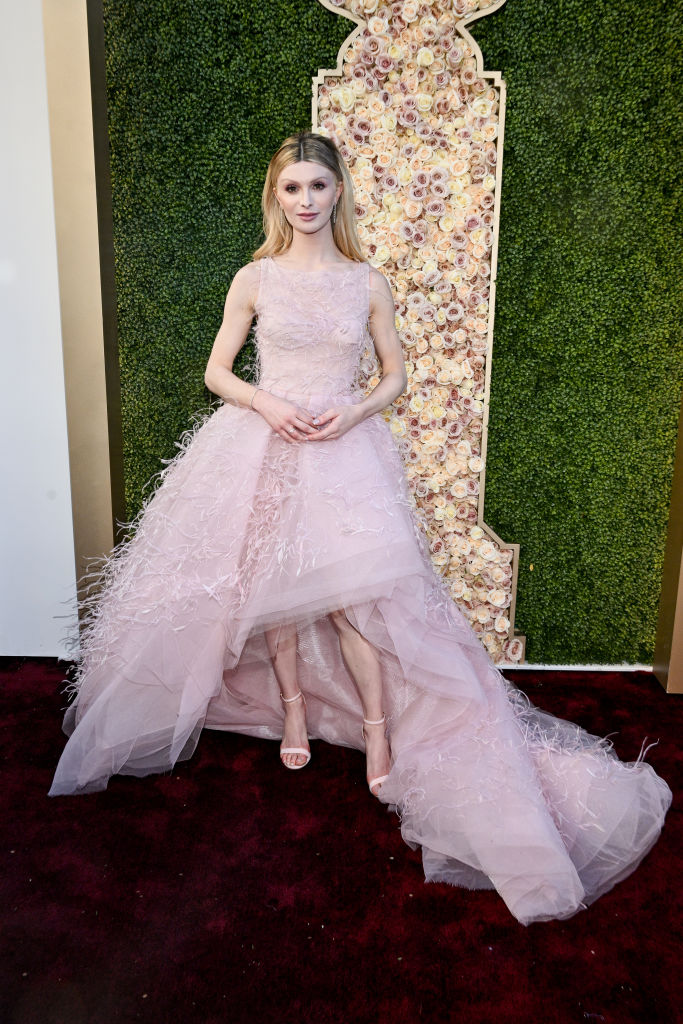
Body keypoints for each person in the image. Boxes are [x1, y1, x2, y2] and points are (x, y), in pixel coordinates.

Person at [49, 132, 672, 926]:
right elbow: (216, 371)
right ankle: (296, 713)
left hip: (343, 453)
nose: (304, 200)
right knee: (269, 590)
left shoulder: (365, 281)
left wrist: (354, 409)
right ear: (275, 197)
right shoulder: (255, 277)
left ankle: (379, 735)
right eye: (289, 188)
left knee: (354, 604)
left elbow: (396, 374)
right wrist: (265, 402)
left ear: (338, 192)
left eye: (316, 185)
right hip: (262, 446)